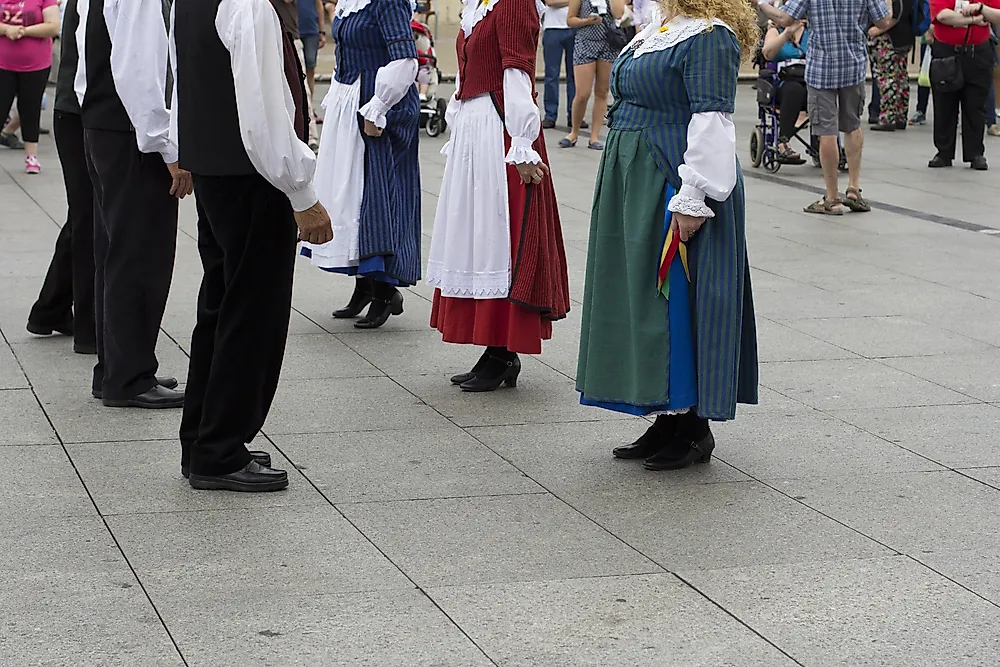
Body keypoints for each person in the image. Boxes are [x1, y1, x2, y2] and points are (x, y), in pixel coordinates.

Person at [577, 0, 759, 470]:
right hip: (635, 180)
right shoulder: (656, 30)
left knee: (677, 297)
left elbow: (712, 117)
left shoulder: (709, 35)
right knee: (643, 299)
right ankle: (665, 415)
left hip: (672, 177)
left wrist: (694, 195)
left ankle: (694, 427)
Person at [172, 0, 333, 492]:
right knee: (250, 314)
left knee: (220, 306)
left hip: (217, 171)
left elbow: (184, 81)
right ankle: (219, 449)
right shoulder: (249, 6)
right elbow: (264, 116)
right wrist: (302, 195)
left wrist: (183, 152)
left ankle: (204, 438)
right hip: (252, 179)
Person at [427, 0, 570, 392]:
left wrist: (522, 144)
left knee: (498, 237)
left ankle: (505, 353)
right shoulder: (478, 5)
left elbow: (518, 71)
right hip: (477, 127)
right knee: (477, 236)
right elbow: (463, 76)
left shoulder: (513, 2)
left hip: (500, 129)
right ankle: (493, 349)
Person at [75, 0, 190, 409]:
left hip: (105, 123)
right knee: (141, 256)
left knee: (115, 253)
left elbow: (85, 52)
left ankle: (114, 369)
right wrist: (166, 146)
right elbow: (142, 68)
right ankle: (129, 376)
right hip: (132, 134)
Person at [300, 0, 421, 329]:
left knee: (375, 199)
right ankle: (364, 287)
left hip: (377, 108)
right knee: (351, 200)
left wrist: (378, 106)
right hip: (350, 100)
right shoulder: (349, 2)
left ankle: (384, 291)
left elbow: (406, 60)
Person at [759, 0, 894, 215]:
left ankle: (832, 198)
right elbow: (884, 20)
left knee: (827, 132)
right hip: (853, 65)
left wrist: (762, 4)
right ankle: (853, 188)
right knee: (852, 126)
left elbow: (785, 18)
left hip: (821, 68)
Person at [26, 0, 96, 356]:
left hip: (81, 111)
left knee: (85, 215)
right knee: (89, 217)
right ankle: (88, 326)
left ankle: (50, 308)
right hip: (80, 112)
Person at [926, 0, 998, 170]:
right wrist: (973, 20)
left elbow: (997, 14)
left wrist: (981, 8)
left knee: (976, 106)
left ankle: (975, 153)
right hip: (947, 51)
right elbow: (942, 15)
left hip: (978, 52)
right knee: (944, 103)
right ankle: (943, 152)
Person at [0, 0, 60, 173]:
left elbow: (53, 27)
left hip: (36, 64)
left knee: (30, 108)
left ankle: (31, 156)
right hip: (3, 64)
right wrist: (6, 29)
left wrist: (24, 31)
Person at [560, 0, 623, 150]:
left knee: (602, 92)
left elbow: (620, 14)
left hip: (609, 44)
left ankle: (594, 137)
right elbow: (570, 20)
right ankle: (574, 132)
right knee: (582, 93)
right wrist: (587, 21)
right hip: (585, 42)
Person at [762, 17, 809, 162]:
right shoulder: (775, 31)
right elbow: (767, 53)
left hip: (810, 79)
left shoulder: (812, 30)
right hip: (784, 82)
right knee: (794, 90)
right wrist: (787, 33)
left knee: (820, 92)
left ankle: (825, 142)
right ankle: (783, 141)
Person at [868, 0, 914, 132]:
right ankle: (900, 116)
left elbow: (893, 13)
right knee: (901, 77)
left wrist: (877, 30)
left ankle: (888, 118)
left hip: (889, 38)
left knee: (887, 78)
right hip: (905, 36)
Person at [542, 0, 576, 129]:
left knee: (574, 76)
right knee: (551, 75)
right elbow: (550, 2)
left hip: (574, 27)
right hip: (553, 28)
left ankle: (574, 115)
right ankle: (550, 115)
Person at [298, 0, 324, 140]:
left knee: (310, 70)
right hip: (294, 29)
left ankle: (309, 108)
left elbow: (319, 5)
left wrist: (321, 31)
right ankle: (301, 108)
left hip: (310, 30)